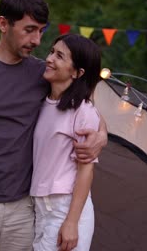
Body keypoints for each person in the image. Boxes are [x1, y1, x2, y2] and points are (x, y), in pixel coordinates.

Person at [0, 0, 107, 250]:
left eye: (41, 30)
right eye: (29, 29)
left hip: (24, 206)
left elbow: (85, 106)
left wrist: (102, 135)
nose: (37, 40)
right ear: (3, 24)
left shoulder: (43, 73)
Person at [31, 34, 101, 251]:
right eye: (51, 51)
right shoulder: (43, 103)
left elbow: (85, 171)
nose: (50, 58)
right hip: (40, 207)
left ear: (77, 72)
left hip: (65, 208)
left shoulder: (83, 111)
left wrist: (71, 222)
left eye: (60, 56)